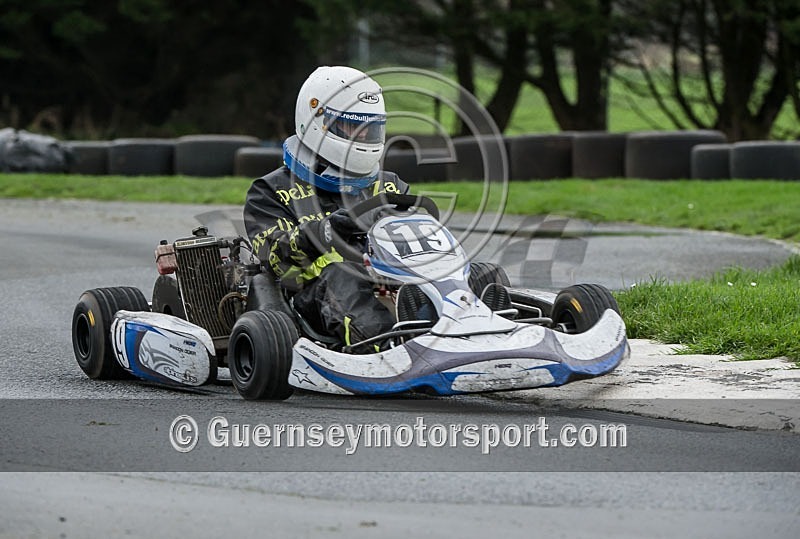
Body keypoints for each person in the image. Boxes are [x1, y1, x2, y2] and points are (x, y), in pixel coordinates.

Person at [243, 66, 409, 350]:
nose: (362, 138)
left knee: (475, 272)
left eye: (370, 130)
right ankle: (383, 348)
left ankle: (476, 334)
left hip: (392, 282)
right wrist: (326, 230)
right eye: (351, 128)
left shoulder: (390, 186)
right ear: (316, 122)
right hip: (311, 296)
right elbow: (271, 254)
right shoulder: (272, 191)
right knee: (343, 274)